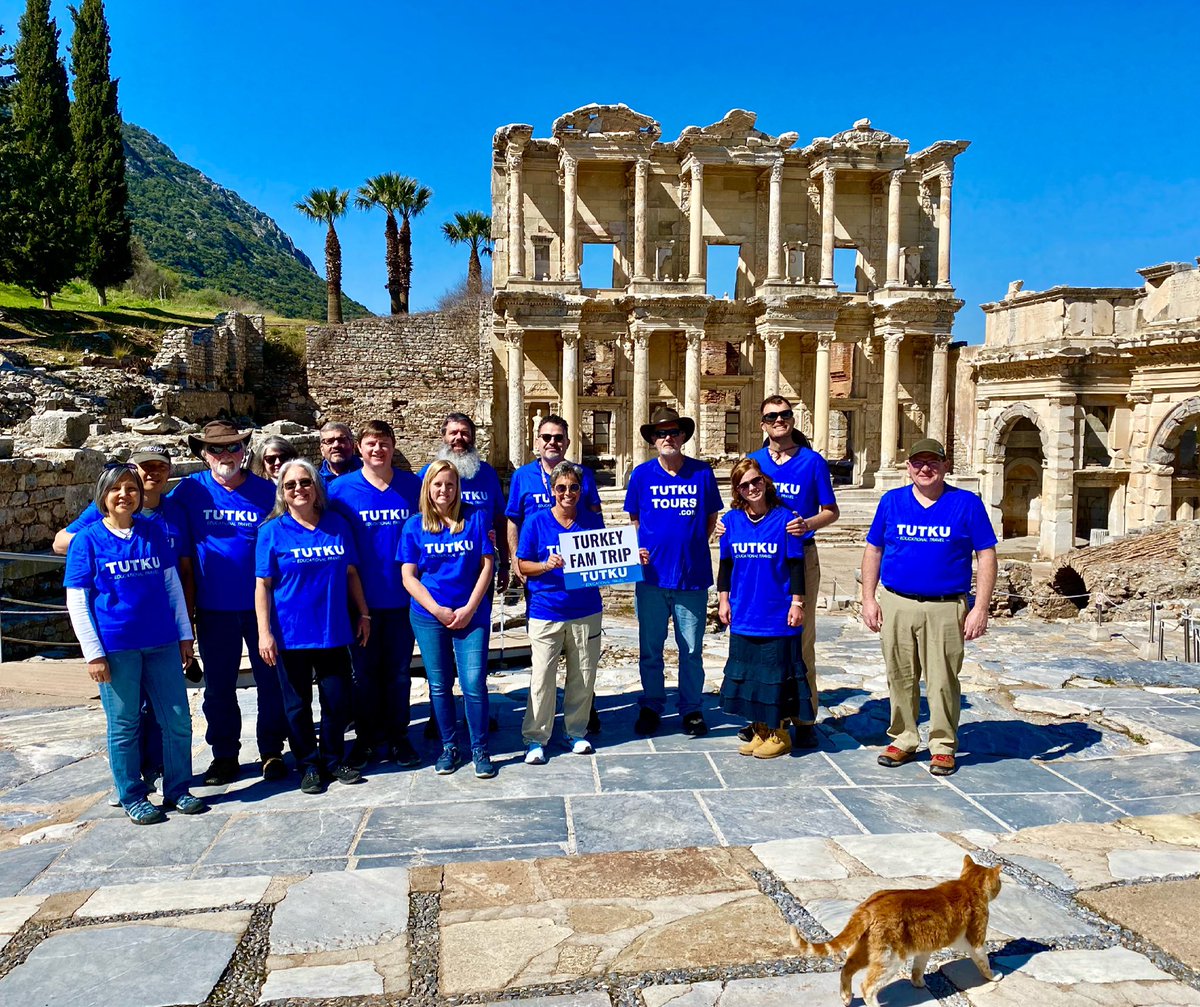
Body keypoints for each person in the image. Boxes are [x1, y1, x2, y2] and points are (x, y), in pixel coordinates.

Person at [52, 443, 195, 803]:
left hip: (161, 641)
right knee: (124, 725)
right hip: (117, 648)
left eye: (131, 488)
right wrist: (92, 654)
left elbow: (171, 586)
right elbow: (78, 602)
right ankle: (132, 795)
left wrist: (184, 635)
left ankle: (178, 788)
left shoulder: (152, 533)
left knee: (176, 720)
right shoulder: (87, 541)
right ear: (103, 496)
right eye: (116, 489)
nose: (124, 495)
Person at [860, 438, 998, 776]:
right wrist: (868, 598)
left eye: (932, 462)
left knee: (942, 680)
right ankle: (904, 738)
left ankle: (943, 745)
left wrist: (980, 607)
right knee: (900, 676)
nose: (925, 468)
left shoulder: (966, 504)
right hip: (897, 602)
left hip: (946, 605)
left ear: (945, 465)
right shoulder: (892, 501)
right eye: (918, 462)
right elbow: (873, 550)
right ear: (907, 467)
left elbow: (986, 555)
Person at [171, 420, 290, 786]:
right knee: (219, 686)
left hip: (263, 607)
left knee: (271, 681)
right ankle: (224, 755)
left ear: (244, 451)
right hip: (213, 608)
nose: (226, 455)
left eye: (233, 448)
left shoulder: (266, 492)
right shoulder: (190, 491)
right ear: (203, 454)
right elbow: (145, 511)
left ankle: (271, 750)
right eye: (217, 449)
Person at [256, 459, 368, 794]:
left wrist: (364, 613)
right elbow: (263, 585)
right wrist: (265, 632)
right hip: (291, 634)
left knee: (337, 700)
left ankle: (334, 759)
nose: (299, 489)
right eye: (290, 485)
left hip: (333, 629)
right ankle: (308, 764)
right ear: (282, 493)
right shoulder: (271, 531)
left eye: (305, 482)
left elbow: (351, 574)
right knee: (297, 705)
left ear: (316, 487)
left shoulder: (337, 525)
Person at [746, 395, 839, 748]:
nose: (779, 421)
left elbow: (831, 510)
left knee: (802, 638)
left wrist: (807, 523)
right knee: (765, 639)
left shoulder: (812, 462)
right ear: (763, 423)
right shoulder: (754, 461)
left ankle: (805, 715)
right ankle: (769, 717)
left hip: (800, 557)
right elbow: (741, 506)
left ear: (793, 419)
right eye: (772, 416)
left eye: (785, 415)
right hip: (759, 561)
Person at [328, 420, 422, 769]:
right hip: (359, 602)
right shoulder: (340, 491)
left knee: (398, 673)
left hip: (404, 599)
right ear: (358, 448)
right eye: (370, 443)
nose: (377, 449)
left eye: (383, 443)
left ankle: (398, 737)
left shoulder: (413, 487)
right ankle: (366, 739)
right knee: (363, 675)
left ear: (393, 447)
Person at [624, 407, 722, 737]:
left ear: (683, 437)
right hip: (651, 577)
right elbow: (635, 519)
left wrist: (691, 543)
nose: (668, 437)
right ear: (653, 440)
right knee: (651, 648)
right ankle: (652, 704)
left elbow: (710, 517)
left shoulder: (702, 473)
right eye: (661, 433)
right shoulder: (641, 475)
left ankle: (692, 708)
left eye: (674, 432)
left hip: (691, 576)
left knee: (691, 649)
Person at [506, 413, 604, 733]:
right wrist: (515, 561)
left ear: (567, 442)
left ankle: (582, 717)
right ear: (537, 441)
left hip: (579, 584)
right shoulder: (523, 477)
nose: (552, 442)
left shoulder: (584, 475)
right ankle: (539, 729)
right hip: (541, 580)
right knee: (544, 663)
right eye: (546, 437)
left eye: (558, 438)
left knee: (583, 664)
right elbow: (513, 519)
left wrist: (620, 555)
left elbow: (596, 526)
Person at [401, 461, 496, 778]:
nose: (444, 490)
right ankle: (449, 746)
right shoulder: (415, 526)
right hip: (429, 615)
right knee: (440, 685)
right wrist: (436, 609)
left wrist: (470, 607)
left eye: (450, 484)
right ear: (428, 488)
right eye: (438, 484)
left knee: (473, 683)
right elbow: (409, 577)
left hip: (471, 614)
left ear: (458, 488)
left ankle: (480, 747)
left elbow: (487, 566)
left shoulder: (475, 519)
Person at [717, 458, 811, 760]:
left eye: (756, 481)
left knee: (776, 676)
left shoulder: (785, 519)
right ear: (737, 491)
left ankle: (780, 733)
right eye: (744, 485)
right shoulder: (731, 522)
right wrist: (723, 599)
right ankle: (760, 730)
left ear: (765, 482)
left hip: (777, 613)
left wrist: (798, 602)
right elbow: (726, 565)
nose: (751, 488)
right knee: (751, 676)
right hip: (745, 611)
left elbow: (796, 565)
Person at [517, 461, 607, 763]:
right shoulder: (536, 522)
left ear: (581, 491)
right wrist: (546, 566)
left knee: (582, 675)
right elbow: (522, 565)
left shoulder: (592, 523)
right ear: (552, 491)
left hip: (585, 609)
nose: (567, 493)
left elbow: (607, 559)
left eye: (573, 487)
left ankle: (575, 731)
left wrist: (636, 556)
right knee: (542, 677)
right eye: (561, 488)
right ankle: (535, 737)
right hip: (546, 609)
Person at [422, 412, 508, 588]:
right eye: (453, 433)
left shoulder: (487, 474)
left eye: (464, 433)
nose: (459, 438)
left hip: (481, 569)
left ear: (473, 438)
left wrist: (505, 565)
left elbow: (500, 521)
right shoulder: (426, 475)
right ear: (444, 437)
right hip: (439, 573)